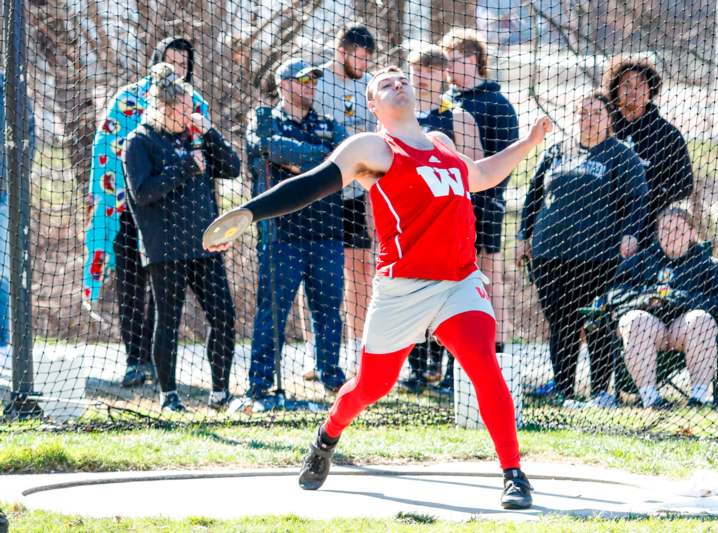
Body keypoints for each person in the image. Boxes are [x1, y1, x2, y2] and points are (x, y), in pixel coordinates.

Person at [203, 66, 552, 509]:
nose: (398, 83)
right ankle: (327, 436)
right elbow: (311, 185)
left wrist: (528, 144)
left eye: (401, 78)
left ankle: (513, 474)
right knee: (372, 386)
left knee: (484, 365)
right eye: (385, 84)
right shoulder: (372, 147)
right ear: (372, 105)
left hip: (458, 283)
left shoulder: (442, 144)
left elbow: (479, 177)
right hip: (403, 288)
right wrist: (249, 213)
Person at [83, 36, 209, 388]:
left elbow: (205, 157)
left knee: (164, 288)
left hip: (172, 213)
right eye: (169, 61)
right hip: (127, 208)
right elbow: (104, 147)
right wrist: (101, 196)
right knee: (130, 286)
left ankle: (158, 361)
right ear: (155, 61)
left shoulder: (194, 105)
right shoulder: (127, 99)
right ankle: (134, 360)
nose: (175, 69)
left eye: (183, 64)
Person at [515, 92, 648, 405]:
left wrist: (630, 234)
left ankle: (601, 391)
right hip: (550, 252)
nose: (588, 119)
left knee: (597, 320)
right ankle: (565, 390)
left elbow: (637, 201)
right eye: (582, 112)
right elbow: (534, 195)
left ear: (608, 119)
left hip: (597, 256)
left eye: (595, 113)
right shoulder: (557, 151)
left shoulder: (620, 155)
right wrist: (524, 235)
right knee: (561, 322)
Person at [123, 63, 240, 412]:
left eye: (189, 107)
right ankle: (168, 396)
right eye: (180, 108)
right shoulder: (139, 141)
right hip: (166, 249)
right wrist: (187, 166)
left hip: (205, 245)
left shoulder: (194, 136)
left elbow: (232, 168)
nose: (187, 114)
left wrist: (211, 134)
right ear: (161, 107)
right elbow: (142, 192)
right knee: (168, 321)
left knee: (223, 316)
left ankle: (220, 392)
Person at [244, 58, 349, 407]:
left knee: (328, 310)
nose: (310, 87)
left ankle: (331, 377)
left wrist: (296, 160)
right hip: (281, 234)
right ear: (283, 84)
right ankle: (260, 385)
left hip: (326, 230)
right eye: (303, 81)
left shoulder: (327, 124)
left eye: (313, 81)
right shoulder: (264, 121)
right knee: (272, 311)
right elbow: (264, 152)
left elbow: (338, 160)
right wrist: (312, 160)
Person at [400, 44, 483, 394]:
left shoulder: (458, 116)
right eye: (417, 73)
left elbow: (474, 169)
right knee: (412, 297)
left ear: (443, 75)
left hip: (448, 226)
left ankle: (450, 375)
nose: (423, 79)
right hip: (409, 225)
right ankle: (417, 372)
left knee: (452, 298)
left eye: (430, 73)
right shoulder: (399, 116)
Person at [440, 28, 519, 353]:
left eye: (452, 61)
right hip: (447, 207)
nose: (447, 69)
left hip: (486, 204)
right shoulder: (446, 102)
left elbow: (506, 156)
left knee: (488, 272)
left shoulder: (497, 103)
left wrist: (485, 192)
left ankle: (496, 346)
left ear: (473, 59)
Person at [611, 207, 718, 408]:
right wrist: (647, 299)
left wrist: (683, 300)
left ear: (692, 233)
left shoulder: (709, 266)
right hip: (651, 329)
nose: (671, 234)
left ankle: (699, 398)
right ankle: (651, 399)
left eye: (678, 228)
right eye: (665, 229)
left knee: (701, 319)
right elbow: (615, 295)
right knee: (634, 320)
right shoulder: (641, 260)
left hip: (685, 331)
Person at [314, 25, 378, 370]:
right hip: (321, 191)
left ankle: (358, 351)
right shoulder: (317, 80)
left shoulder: (367, 87)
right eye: (359, 57)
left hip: (356, 192)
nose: (364, 64)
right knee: (315, 271)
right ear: (341, 52)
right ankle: (317, 352)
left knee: (359, 272)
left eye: (369, 59)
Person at [601, 55, 694, 248]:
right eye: (626, 84)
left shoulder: (667, 134)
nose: (633, 90)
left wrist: (649, 195)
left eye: (640, 84)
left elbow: (685, 185)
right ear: (615, 89)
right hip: (602, 228)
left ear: (651, 90)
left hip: (648, 233)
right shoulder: (603, 128)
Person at [0, 69, 35, 370]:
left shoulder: (8, 86)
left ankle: (2, 345)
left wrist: (10, 179)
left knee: (2, 271)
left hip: (2, 193)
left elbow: (28, 136)